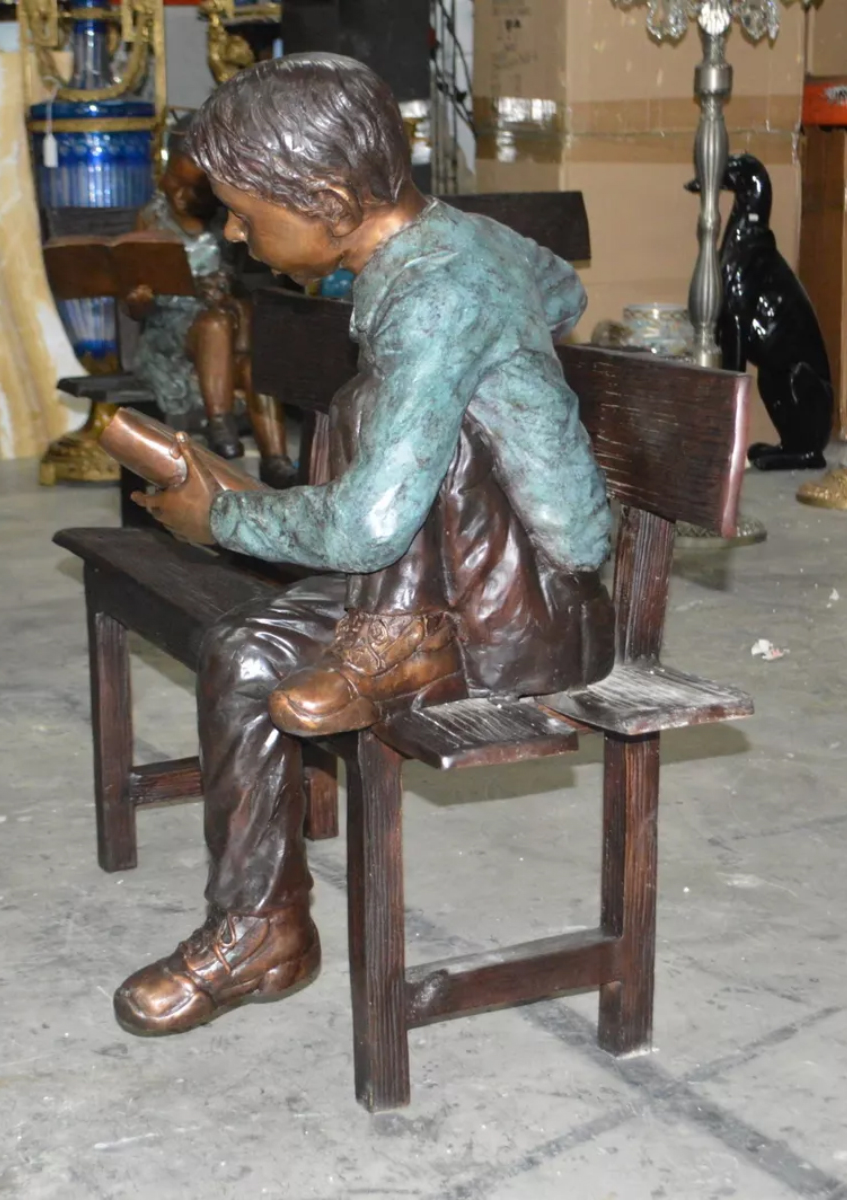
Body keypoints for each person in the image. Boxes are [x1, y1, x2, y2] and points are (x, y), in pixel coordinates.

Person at [114, 53, 615, 1038]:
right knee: (247, 654)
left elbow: (365, 525)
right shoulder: (453, 245)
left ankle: (398, 643)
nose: (234, 232)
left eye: (247, 213)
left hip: (525, 611)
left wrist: (221, 517)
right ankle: (262, 928)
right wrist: (506, 363)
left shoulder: (435, 292)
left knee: (411, 428)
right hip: (449, 583)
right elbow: (560, 294)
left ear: (333, 199)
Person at [127, 118, 298, 487]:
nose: (182, 195)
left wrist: (227, 289)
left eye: (196, 189)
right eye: (176, 181)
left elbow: (252, 279)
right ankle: (219, 425)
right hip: (173, 330)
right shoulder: (152, 218)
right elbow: (136, 304)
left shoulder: (231, 221)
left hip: (227, 333)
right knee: (215, 325)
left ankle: (276, 460)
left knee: (256, 368)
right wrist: (138, 298)